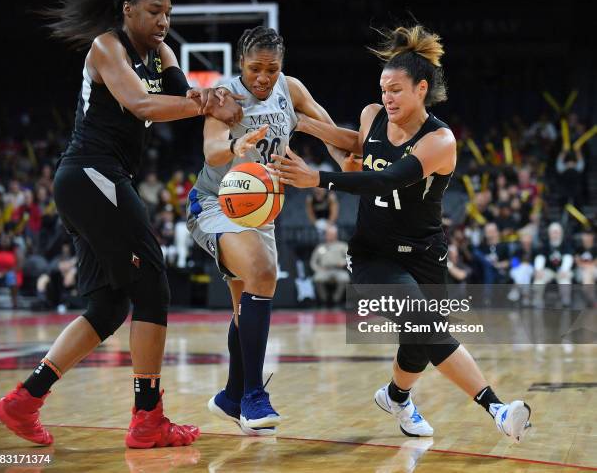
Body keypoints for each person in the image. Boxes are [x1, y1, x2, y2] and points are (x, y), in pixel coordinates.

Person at [0, 0, 242, 449]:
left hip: (95, 181)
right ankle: (147, 417)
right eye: (153, 11)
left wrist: (210, 96)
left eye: (168, 11)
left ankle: (24, 400)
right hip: (92, 173)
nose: (163, 20)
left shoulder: (161, 53)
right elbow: (143, 105)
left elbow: (180, 97)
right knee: (154, 289)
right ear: (127, 9)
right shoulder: (107, 47)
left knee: (108, 308)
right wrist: (204, 107)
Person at [269, 25, 531, 442]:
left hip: (426, 254)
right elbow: (358, 145)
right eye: (383, 89)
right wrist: (307, 124)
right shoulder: (373, 115)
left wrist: (316, 178)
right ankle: (497, 409)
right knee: (427, 328)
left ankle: (396, 397)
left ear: (421, 89)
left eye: (395, 90)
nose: (387, 97)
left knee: (418, 342)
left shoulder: (440, 140)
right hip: (374, 255)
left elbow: (387, 178)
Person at [187, 26, 346, 435]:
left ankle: (231, 395)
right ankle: (254, 397)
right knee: (262, 273)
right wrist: (235, 149)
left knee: (247, 302)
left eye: (271, 69)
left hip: (261, 207)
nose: (262, 77)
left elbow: (330, 133)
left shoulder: (290, 90)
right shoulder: (224, 95)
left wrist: (347, 158)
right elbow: (211, 150)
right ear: (241, 64)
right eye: (255, 68)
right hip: (217, 200)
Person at [310, 224, 350, 306]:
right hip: (324, 270)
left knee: (345, 278)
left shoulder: (342, 246)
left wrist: (343, 262)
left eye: (332, 234)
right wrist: (318, 269)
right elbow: (313, 262)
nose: (330, 236)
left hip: (338, 269)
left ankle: (336, 300)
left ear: (336, 235)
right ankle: (324, 300)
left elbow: (350, 258)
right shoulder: (320, 247)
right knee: (317, 278)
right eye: (328, 234)